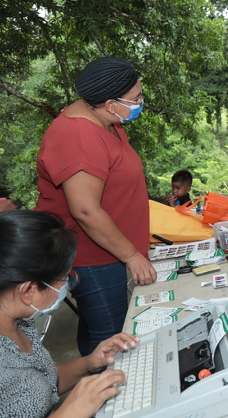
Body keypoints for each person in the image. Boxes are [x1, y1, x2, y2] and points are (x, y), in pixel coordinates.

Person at [35, 56, 156, 356]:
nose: (140, 102)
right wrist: (131, 255)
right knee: (111, 340)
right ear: (109, 102)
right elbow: (85, 210)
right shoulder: (78, 136)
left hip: (107, 253)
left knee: (95, 332)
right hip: (92, 258)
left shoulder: (105, 120)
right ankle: (109, 398)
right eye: (135, 98)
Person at [0, 210, 139, 418]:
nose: (66, 286)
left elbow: (44, 385)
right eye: (63, 279)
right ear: (28, 291)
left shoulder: (21, 325)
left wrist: (90, 363)